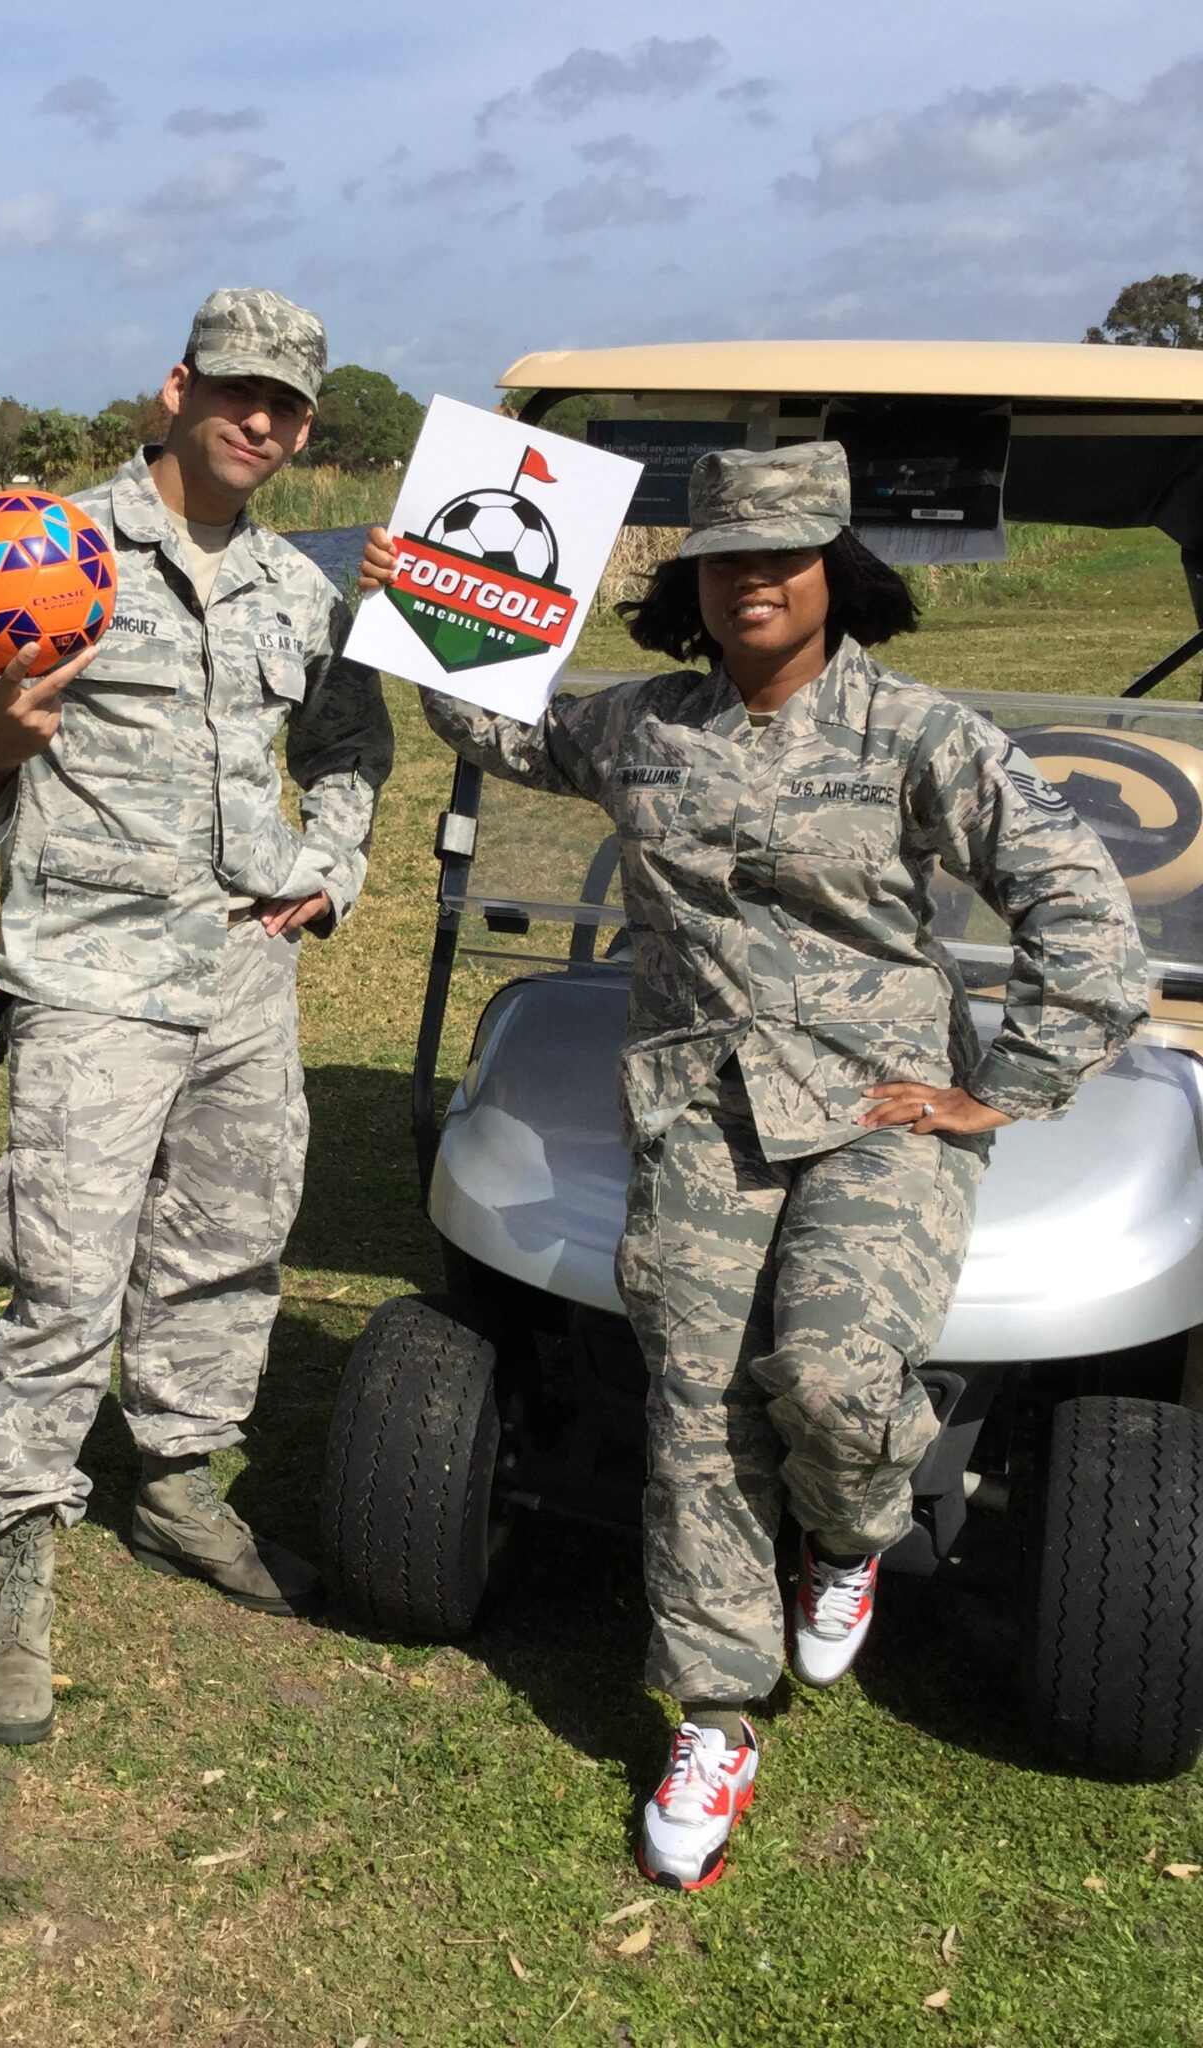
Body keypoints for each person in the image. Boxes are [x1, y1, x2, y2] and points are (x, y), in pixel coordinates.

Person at [361, 442, 1147, 1888]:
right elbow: (499, 733)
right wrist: (429, 607)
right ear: (697, 583)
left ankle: (852, 1533)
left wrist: (1002, 1089)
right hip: (698, 1110)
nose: (755, 583)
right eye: (728, 560)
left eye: (783, 557)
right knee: (699, 1408)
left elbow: (1083, 916)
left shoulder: (922, 736)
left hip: (873, 1111)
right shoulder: (642, 727)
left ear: (834, 573)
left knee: (841, 1378)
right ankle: (718, 1712)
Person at [0, 287, 394, 1746]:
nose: (261, 420)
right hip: (96, 981)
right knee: (65, 1281)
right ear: (176, 389)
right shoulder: (48, 551)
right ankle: (16, 1551)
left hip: (247, 977)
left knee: (231, 1245)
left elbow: (351, 739)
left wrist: (338, 864)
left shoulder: (302, 593)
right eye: (238, 389)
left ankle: (181, 1485)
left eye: (289, 405)